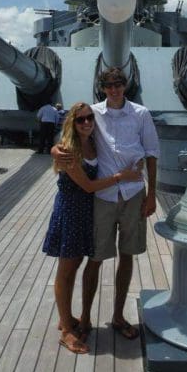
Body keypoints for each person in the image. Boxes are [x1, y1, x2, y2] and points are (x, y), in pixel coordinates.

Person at [52, 67, 160, 342]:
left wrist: (151, 195)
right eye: (109, 85)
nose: (114, 90)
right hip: (103, 197)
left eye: (118, 84)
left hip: (134, 193)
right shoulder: (94, 113)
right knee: (96, 258)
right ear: (102, 88)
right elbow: (71, 134)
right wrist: (55, 149)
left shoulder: (141, 114)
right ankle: (86, 317)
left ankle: (118, 316)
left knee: (127, 256)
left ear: (126, 86)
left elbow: (152, 154)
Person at [43, 102, 142, 354]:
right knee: (66, 270)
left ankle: (66, 318)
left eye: (89, 118)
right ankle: (66, 331)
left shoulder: (92, 141)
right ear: (71, 124)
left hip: (88, 210)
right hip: (71, 212)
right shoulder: (69, 149)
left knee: (75, 266)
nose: (87, 122)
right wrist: (121, 177)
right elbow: (87, 186)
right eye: (80, 120)